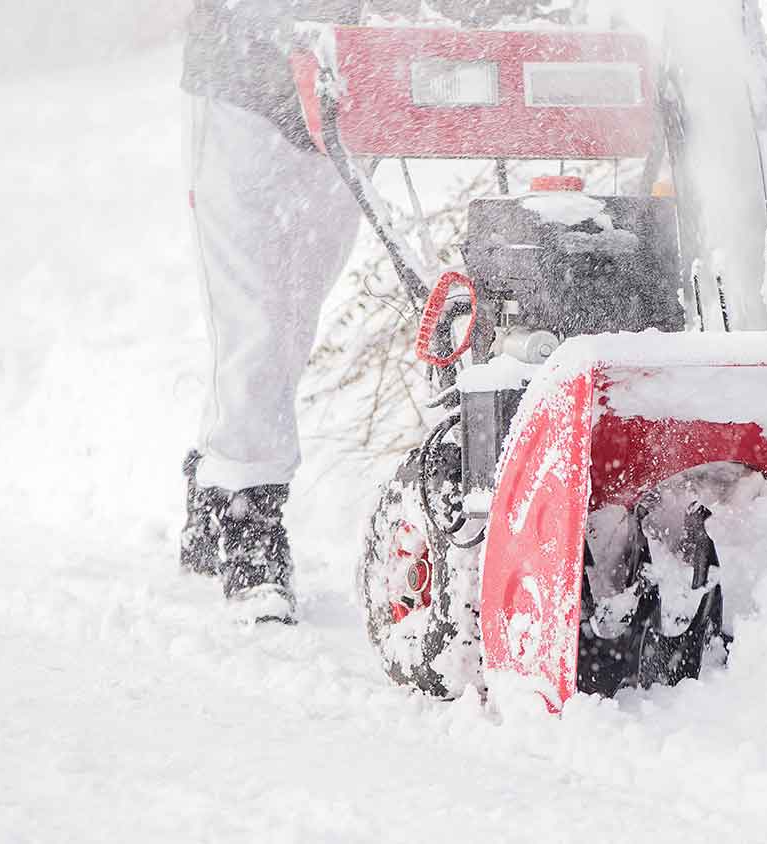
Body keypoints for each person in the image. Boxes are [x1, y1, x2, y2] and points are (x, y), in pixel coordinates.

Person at [177, 0, 538, 624]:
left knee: (287, 321)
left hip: (342, 90)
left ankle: (214, 481)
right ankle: (248, 515)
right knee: (256, 318)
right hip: (243, 89)